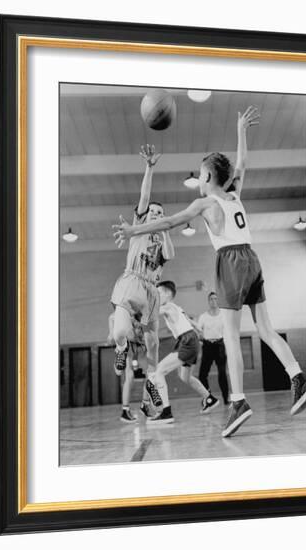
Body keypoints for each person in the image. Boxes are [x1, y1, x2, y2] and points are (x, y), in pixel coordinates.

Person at [113, 106, 306, 437]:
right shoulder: (233, 193)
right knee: (265, 328)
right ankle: (298, 377)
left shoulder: (204, 204)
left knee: (231, 335)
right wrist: (240, 129)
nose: (199, 180)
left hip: (230, 261)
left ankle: (238, 401)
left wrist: (134, 231)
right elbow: (242, 164)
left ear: (205, 179)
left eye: (201, 175)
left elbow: (171, 221)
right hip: (253, 259)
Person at [110, 144, 175, 410]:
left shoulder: (162, 242)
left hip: (150, 291)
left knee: (153, 347)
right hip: (132, 282)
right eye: (153, 213)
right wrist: (149, 168)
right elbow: (145, 196)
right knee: (121, 332)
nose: (156, 216)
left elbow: (170, 255)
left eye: (161, 214)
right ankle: (121, 349)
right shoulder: (138, 230)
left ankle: (150, 393)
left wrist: (167, 228)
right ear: (146, 215)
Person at [147, 281, 219, 424]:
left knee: (159, 371)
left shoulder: (167, 306)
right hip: (189, 339)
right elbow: (193, 324)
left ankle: (166, 413)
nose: (157, 296)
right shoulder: (178, 308)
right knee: (185, 377)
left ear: (168, 294)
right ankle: (209, 399)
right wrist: (198, 329)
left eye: (159, 293)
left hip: (187, 340)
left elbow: (152, 314)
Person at [107, 313, 153, 422]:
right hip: (128, 345)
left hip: (140, 345)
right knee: (129, 376)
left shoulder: (144, 313)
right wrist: (111, 333)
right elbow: (112, 318)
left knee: (151, 375)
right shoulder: (123, 314)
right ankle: (125, 410)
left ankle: (145, 405)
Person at [197, 292, 229, 405]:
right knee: (202, 375)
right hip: (207, 346)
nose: (214, 301)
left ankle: (226, 399)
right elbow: (199, 332)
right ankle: (208, 396)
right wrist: (200, 337)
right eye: (211, 299)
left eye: (216, 299)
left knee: (222, 373)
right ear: (208, 301)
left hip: (219, 345)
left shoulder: (223, 316)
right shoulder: (203, 316)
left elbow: (228, 332)